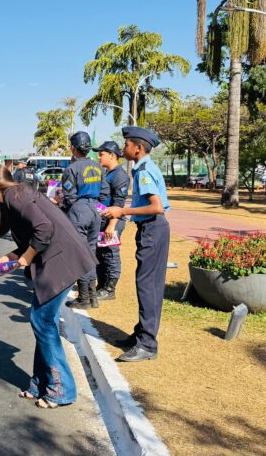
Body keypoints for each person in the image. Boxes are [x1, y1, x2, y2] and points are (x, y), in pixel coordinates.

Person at [0, 163, 96, 409]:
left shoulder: (16, 196)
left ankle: (61, 389)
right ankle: (41, 383)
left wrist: (26, 258)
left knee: (42, 321)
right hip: (58, 263)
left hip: (61, 263)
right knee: (42, 321)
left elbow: (44, 229)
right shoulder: (14, 197)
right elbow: (32, 235)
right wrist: (12, 257)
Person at [103, 126, 170, 363]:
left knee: (148, 286)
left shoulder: (143, 171)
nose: (124, 148)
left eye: (127, 144)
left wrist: (122, 210)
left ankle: (147, 344)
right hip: (151, 229)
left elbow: (156, 206)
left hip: (153, 227)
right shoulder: (144, 167)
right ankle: (141, 334)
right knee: (146, 284)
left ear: (138, 148)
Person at [58, 131, 109, 309]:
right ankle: (93, 296)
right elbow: (104, 193)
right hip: (95, 211)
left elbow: (69, 197)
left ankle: (84, 298)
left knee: (80, 255)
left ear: (73, 148)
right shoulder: (98, 167)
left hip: (79, 211)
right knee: (91, 253)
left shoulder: (71, 169)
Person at [92, 141, 129, 300]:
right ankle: (101, 286)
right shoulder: (108, 173)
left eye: (101, 154)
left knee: (111, 253)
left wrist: (112, 226)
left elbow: (118, 203)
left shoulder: (120, 175)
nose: (99, 157)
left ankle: (110, 289)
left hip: (112, 221)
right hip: (103, 220)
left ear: (112, 155)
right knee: (101, 254)